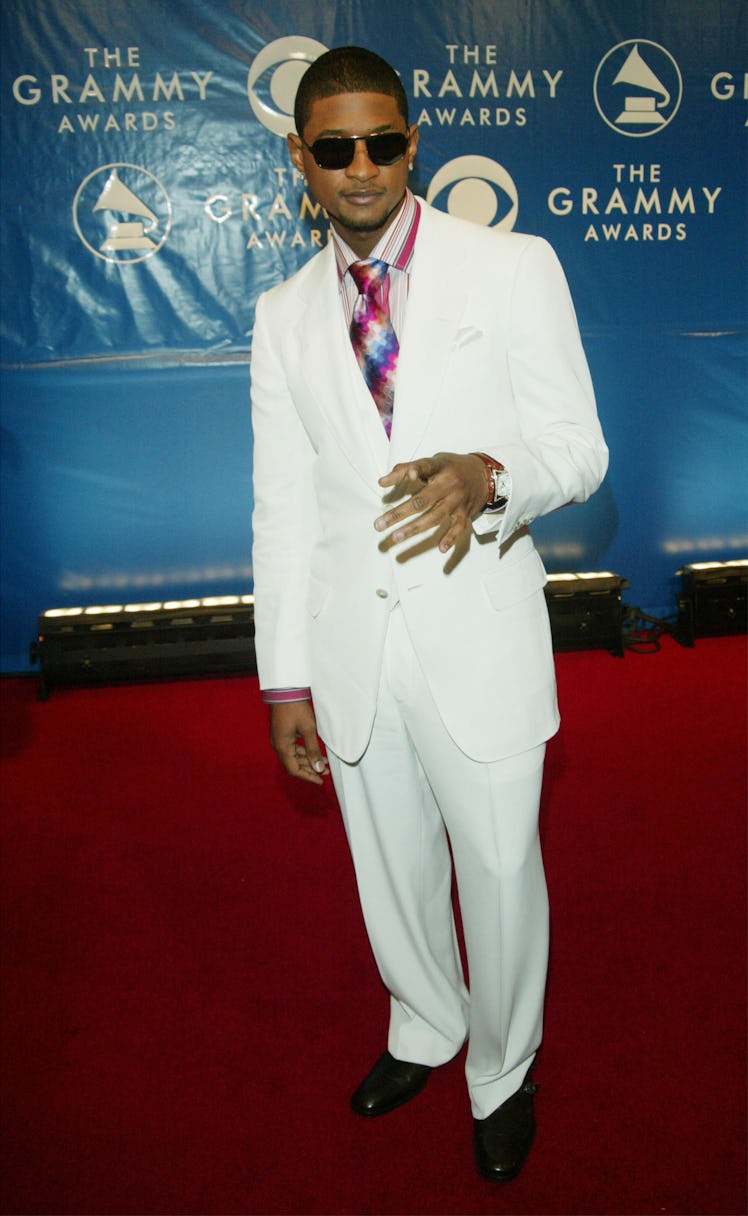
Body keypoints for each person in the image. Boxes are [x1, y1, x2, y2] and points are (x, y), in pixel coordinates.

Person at [250, 45, 608, 1182]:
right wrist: (283, 677)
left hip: (478, 634)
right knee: (390, 868)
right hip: (354, 643)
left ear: (415, 141)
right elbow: (282, 503)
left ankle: (501, 1065)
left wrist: (491, 474)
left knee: (499, 872)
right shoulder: (283, 314)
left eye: (384, 142)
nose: (363, 168)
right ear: (299, 159)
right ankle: (425, 1023)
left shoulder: (512, 267)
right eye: (335, 148)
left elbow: (581, 451)